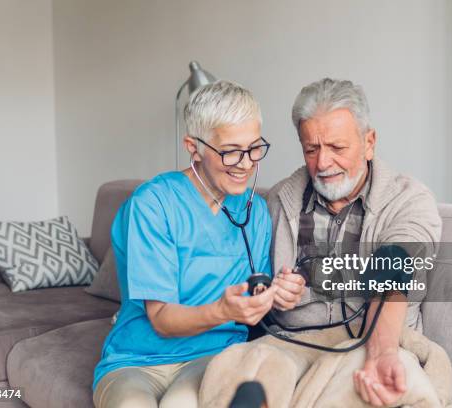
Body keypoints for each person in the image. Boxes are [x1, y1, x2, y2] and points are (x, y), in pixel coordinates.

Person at [202, 78, 442, 407]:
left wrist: (381, 351)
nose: (323, 163)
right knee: (239, 372)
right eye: (311, 149)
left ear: (369, 142)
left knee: (386, 387)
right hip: (289, 345)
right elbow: (244, 285)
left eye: (337, 148)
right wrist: (272, 293)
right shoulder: (277, 201)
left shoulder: (407, 200)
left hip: (370, 340)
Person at [93, 80, 300, 408]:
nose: (246, 164)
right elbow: (160, 318)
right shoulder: (153, 204)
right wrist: (223, 310)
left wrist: (278, 294)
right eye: (231, 151)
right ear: (194, 147)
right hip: (136, 359)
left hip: (212, 356)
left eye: (254, 148)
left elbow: (254, 296)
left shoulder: (255, 212)